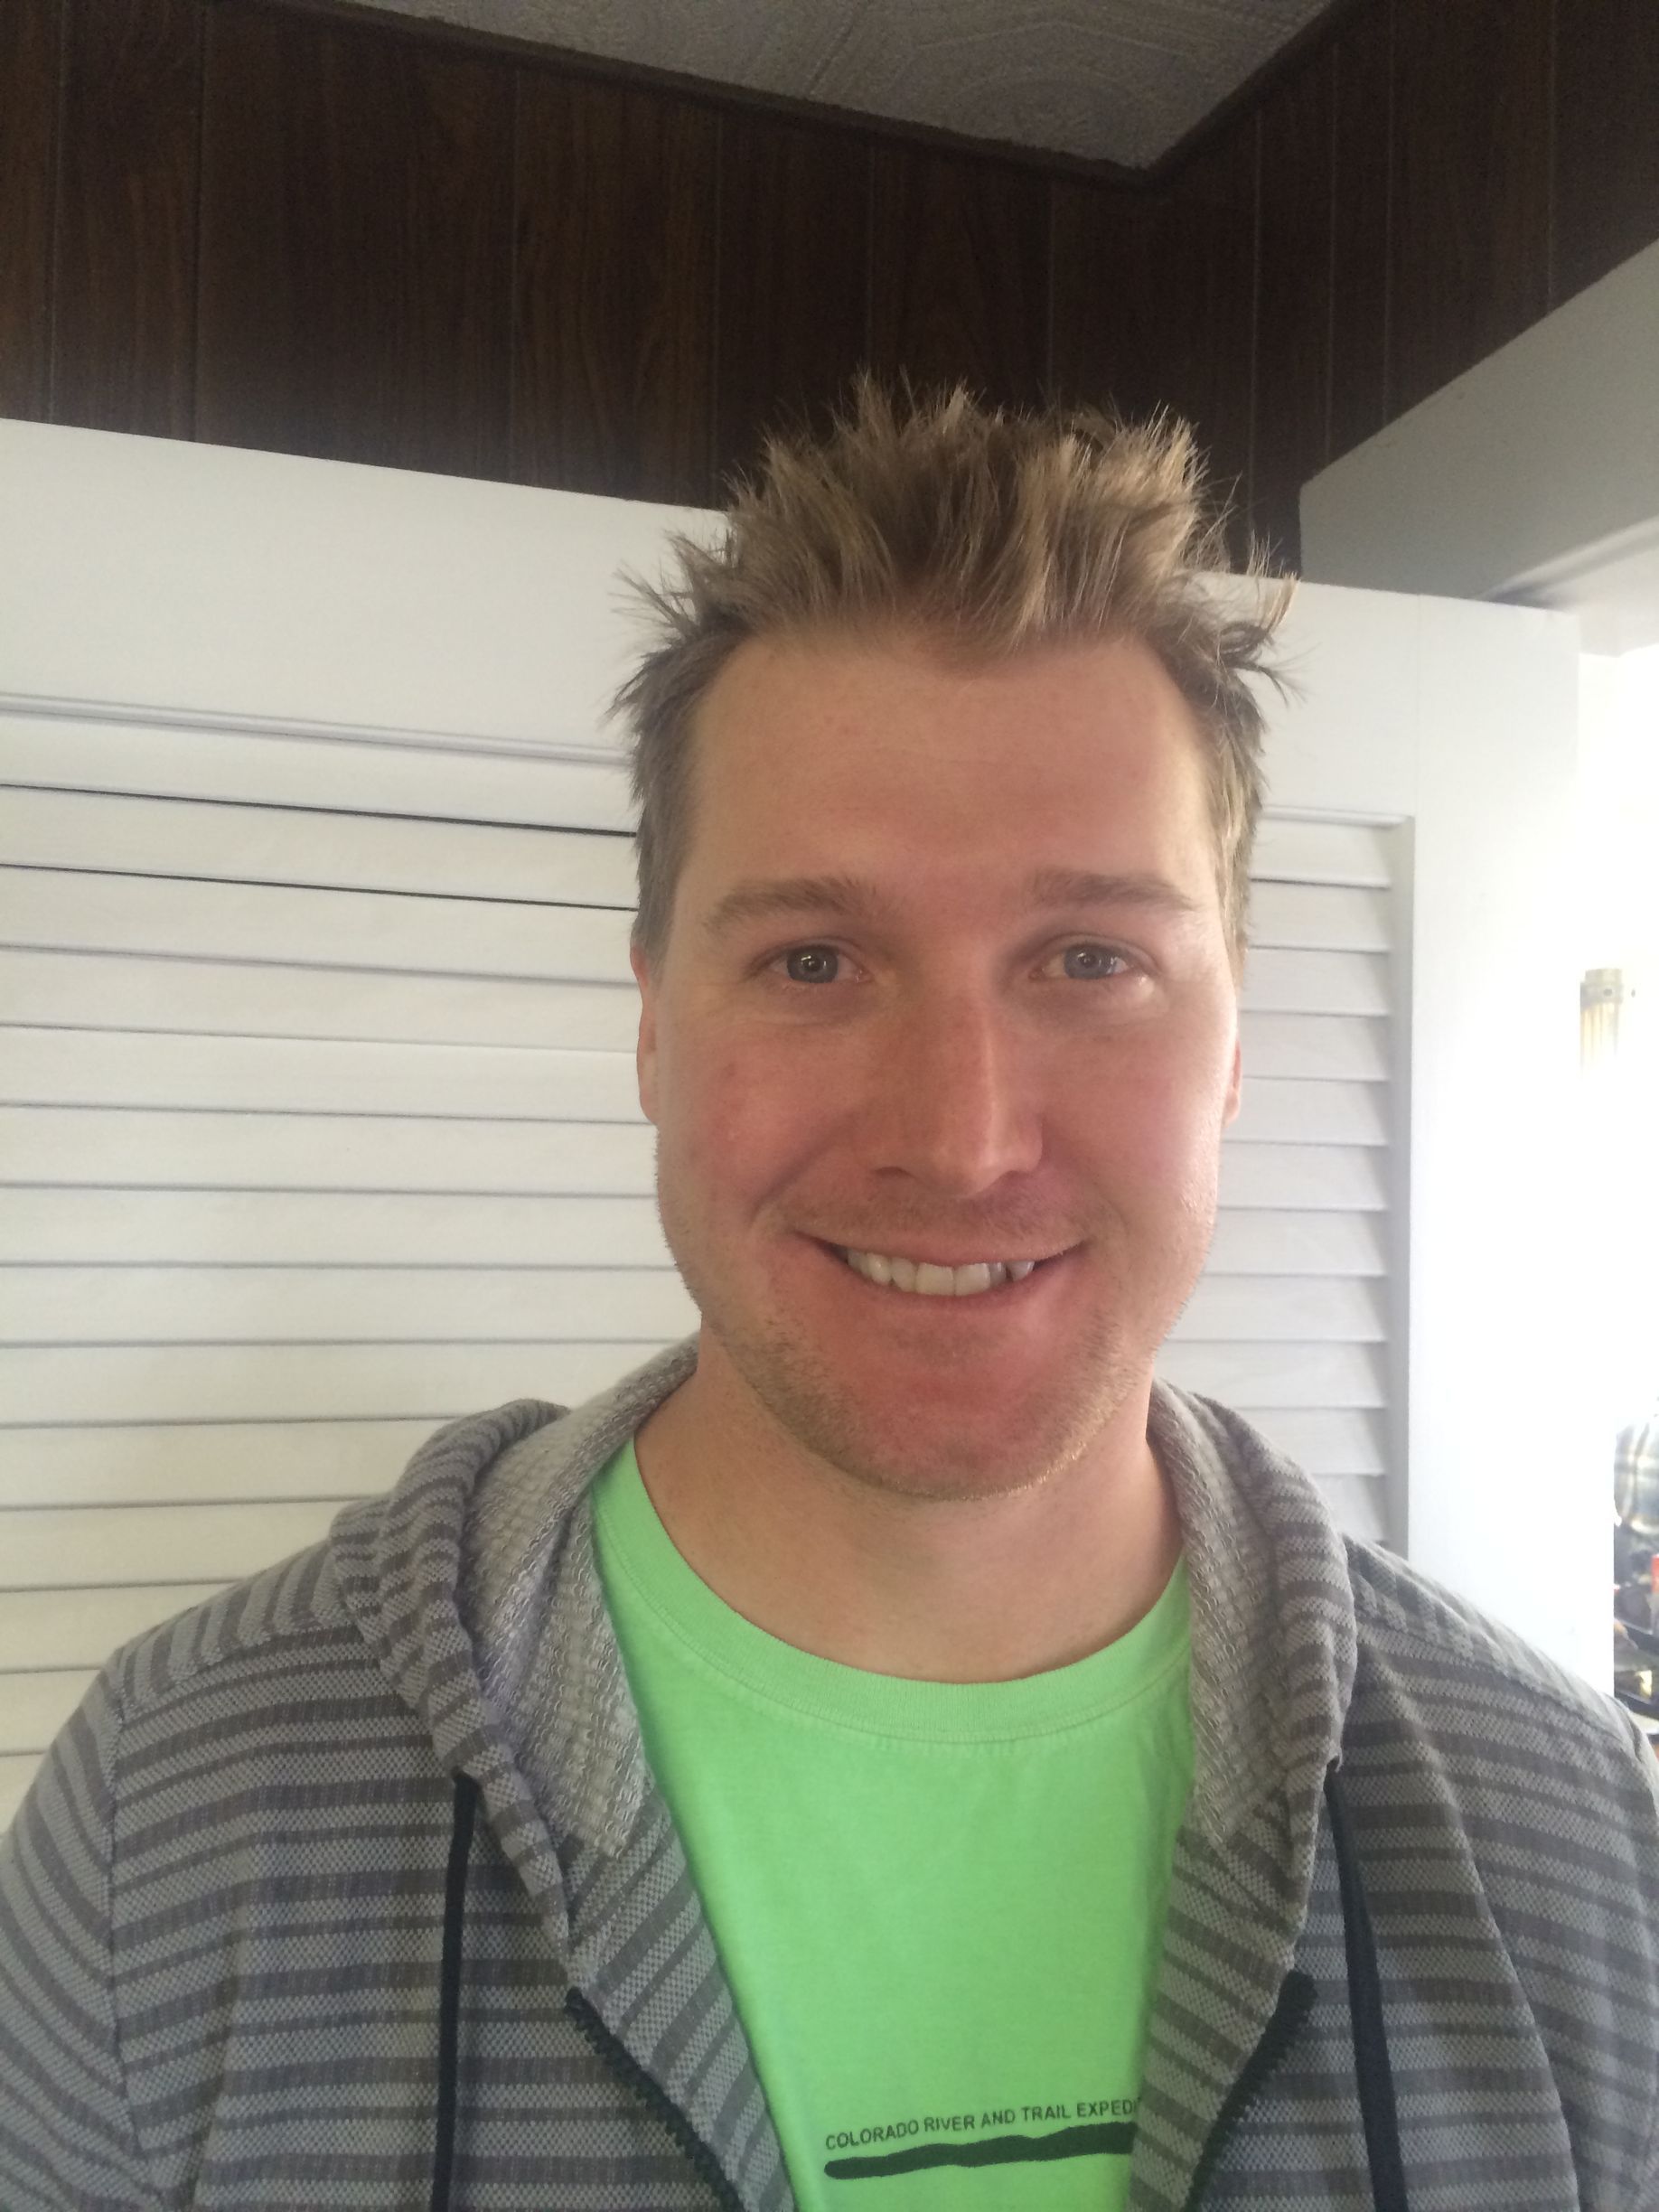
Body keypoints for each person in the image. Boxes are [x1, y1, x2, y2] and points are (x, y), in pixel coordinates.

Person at [2, 385, 1655, 2212]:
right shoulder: (177, 1825)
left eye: (1092, 958)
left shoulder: (1569, 1854)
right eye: (813, 957)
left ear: (1237, 1036)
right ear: (652, 1022)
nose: (959, 1140)